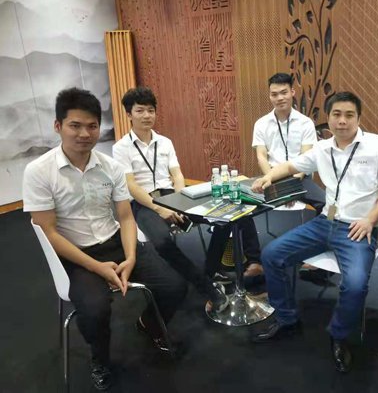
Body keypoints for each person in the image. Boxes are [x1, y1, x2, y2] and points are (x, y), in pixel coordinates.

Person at [23, 87, 187, 391]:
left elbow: (125, 217)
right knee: (95, 309)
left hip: (114, 241)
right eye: (75, 125)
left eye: (92, 126)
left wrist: (131, 258)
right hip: (75, 253)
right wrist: (97, 268)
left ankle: (149, 324)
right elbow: (49, 232)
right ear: (58, 126)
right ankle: (100, 359)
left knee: (175, 286)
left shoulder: (110, 167)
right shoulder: (39, 172)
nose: (85, 134)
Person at [251, 92, 378, 373]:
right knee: (271, 255)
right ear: (328, 118)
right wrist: (269, 176)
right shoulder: (322, 148)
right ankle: (286, 318)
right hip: (325, 223)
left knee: (355, 285)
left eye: (349, 115)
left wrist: (370, 220)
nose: (342, 121)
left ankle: (339, 335)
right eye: (336, 115)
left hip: (358, 228)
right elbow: (291, 165)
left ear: (359, 117)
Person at [112, 87, 228, 312]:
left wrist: (180, 201)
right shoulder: (121, 148)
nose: (147, 115)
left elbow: (177, 175)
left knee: (222, 219)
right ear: (129, 114)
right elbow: (131, 185)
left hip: (171, 196)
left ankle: (209, 271)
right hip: (144, 202)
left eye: (151, 110)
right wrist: (160, 209)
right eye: (140, 111)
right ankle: (208, 289)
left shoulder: (165, 142)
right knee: (163, 242)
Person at [252, 72, 327, 283]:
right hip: (270, 178)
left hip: (299, 178)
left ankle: (319, 258)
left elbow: (305, 158)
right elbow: (261, 155)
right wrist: (271, 178)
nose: (279, 98)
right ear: (269, 96)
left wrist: (291, 185)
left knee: (328, 206)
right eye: (274, 94)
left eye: (284, 92)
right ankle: (253, 261)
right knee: (243, 208)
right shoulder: (261, 123)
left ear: (292, 92)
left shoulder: (305, 123)